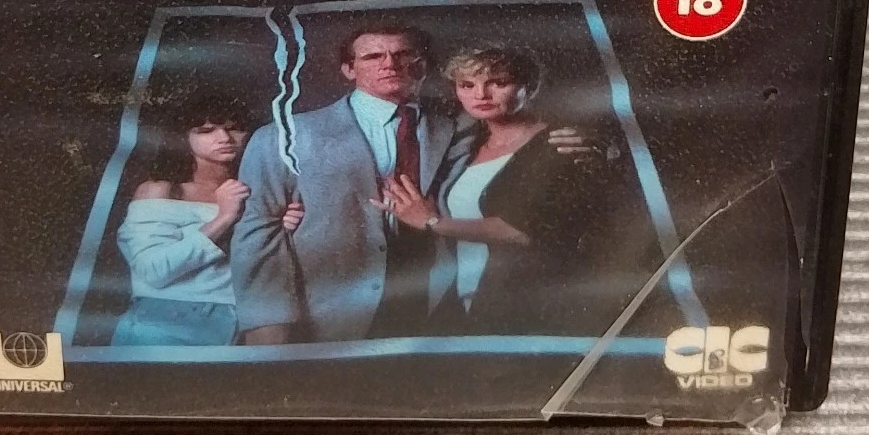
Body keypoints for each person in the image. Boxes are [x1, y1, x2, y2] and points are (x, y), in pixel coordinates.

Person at [230, 25, 462, 344]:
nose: (390, 64)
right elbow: (257, 228)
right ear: (348, 69)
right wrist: (266, 322)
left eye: (404, 54)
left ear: (423, 65)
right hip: (327, 313)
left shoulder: (454, 129)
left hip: (431, 306)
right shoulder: (287, 135)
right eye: (373, 56)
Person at [379, 44, 608, 336]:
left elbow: (521, 231)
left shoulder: (559, 144)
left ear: (529, 87)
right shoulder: (469, 144)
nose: (481, 95)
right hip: (466, 298)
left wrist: (432, 222)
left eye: (498, 83)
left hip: (528, 303)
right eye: (467, 85)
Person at [113, 92, 302, 347]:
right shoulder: (161, 190)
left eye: (234, 128)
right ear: (184, 137)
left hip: (246, 323)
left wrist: (282, 231)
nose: (224, 138)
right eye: (206, 130)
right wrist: (223, 218)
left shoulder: (263, 191)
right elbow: (153, 270)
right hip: (168, 323)